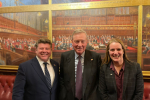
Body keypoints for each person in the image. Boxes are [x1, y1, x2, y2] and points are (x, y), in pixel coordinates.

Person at [59, 29, 102, 100]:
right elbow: (62, 78)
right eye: (76, 41)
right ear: (72, 42)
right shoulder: (65, 56)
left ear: (86, 42)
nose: (80, 45)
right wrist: (64, 96)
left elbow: (99, 80)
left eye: (82, 41)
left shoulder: (95, 57)